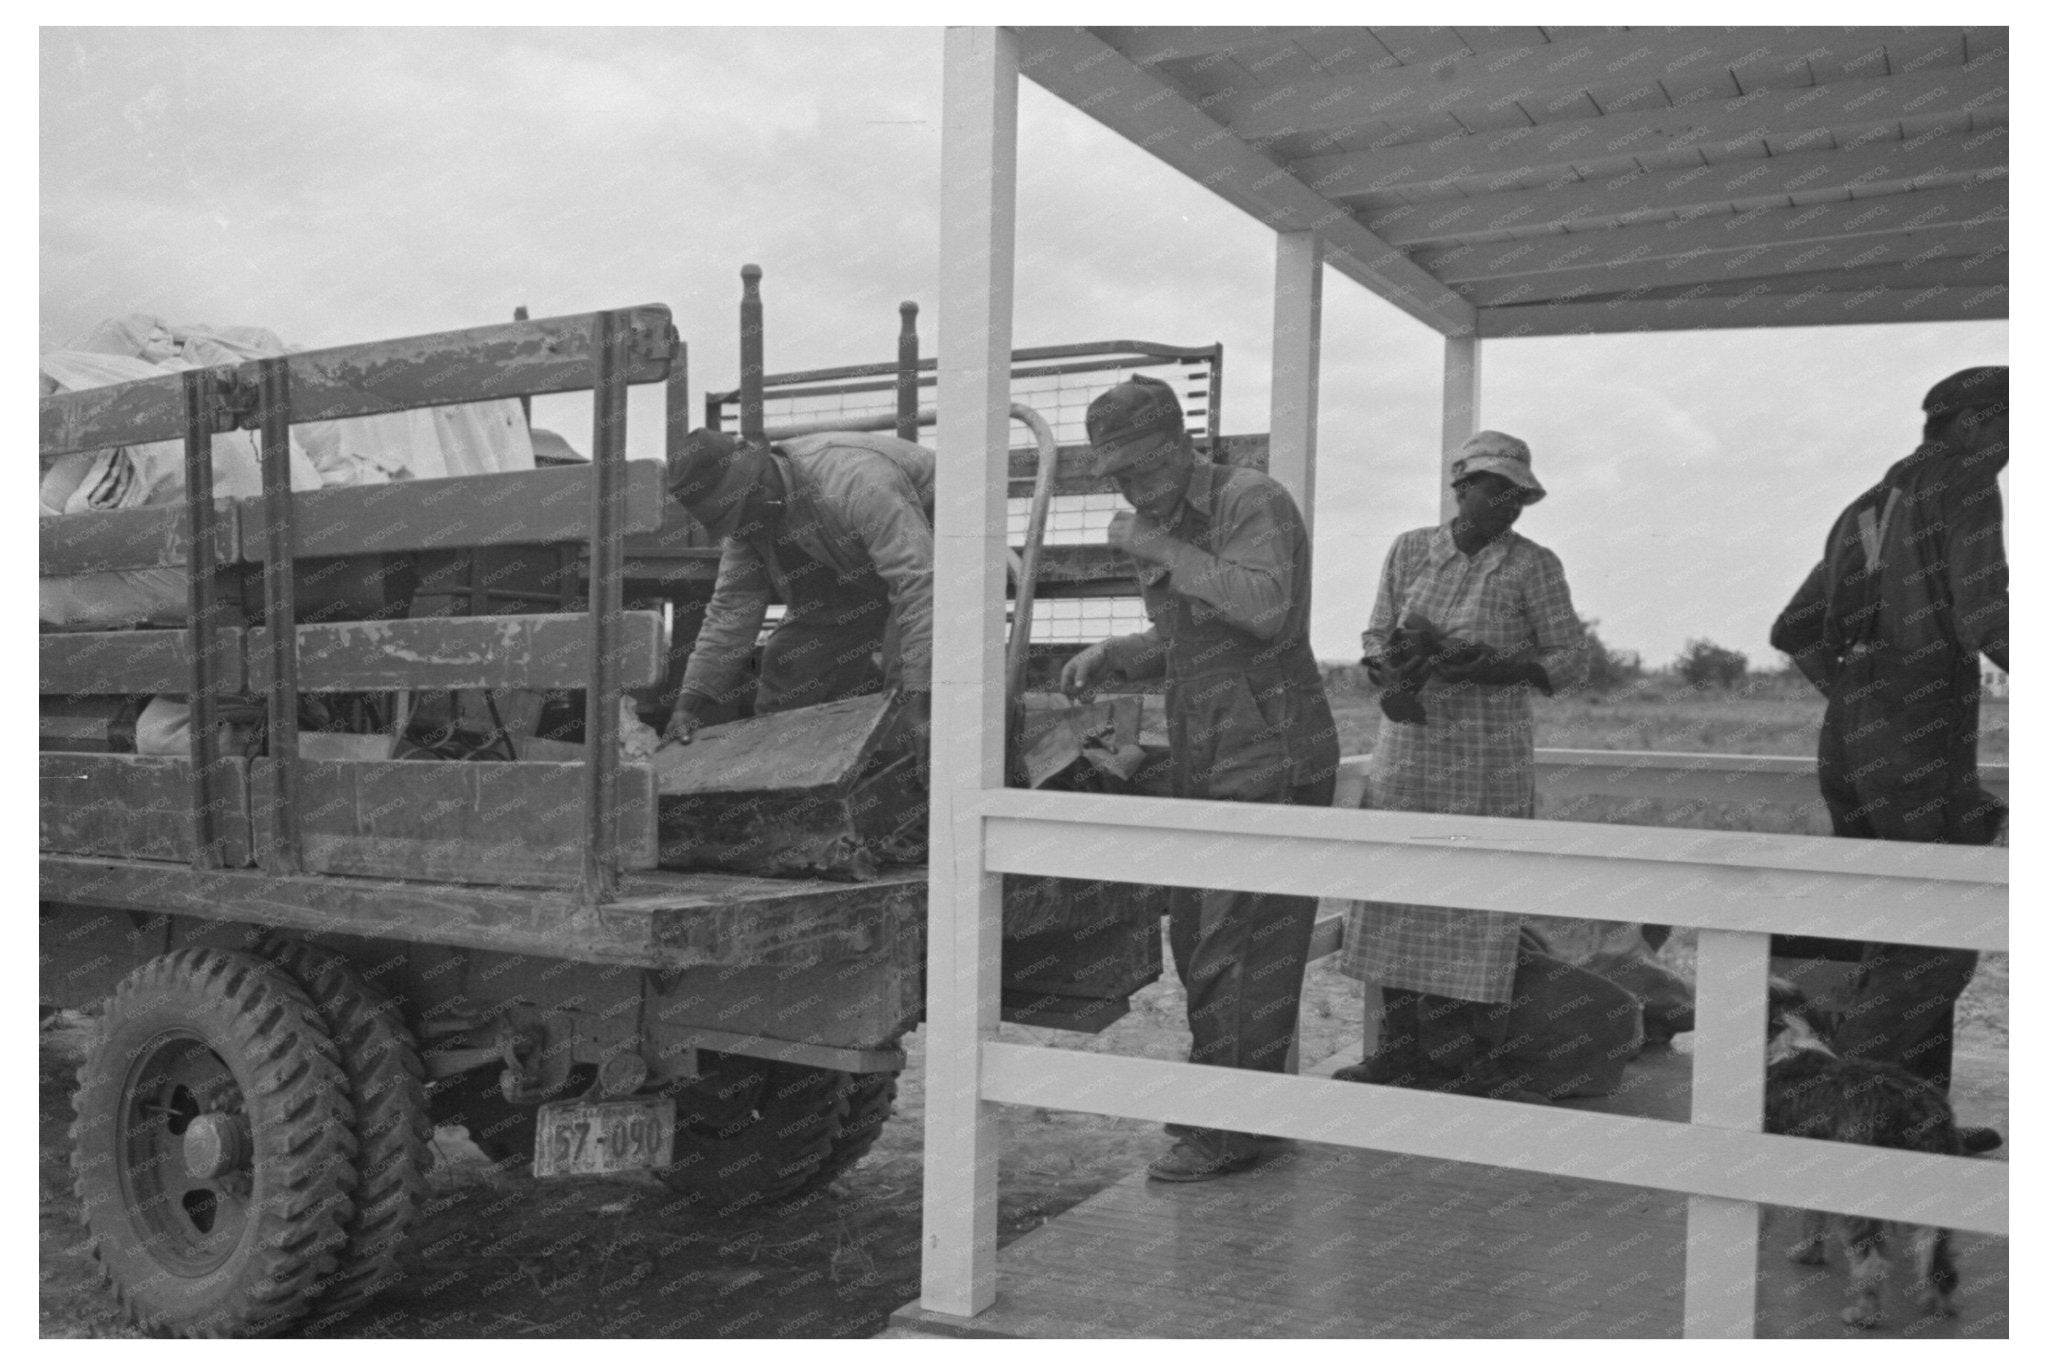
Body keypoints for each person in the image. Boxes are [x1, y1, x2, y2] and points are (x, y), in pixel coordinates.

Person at [1059, 376, 1339, 1182]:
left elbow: (1265, 609)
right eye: (1116, 476)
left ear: (1182, 446)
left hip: (1270, 748)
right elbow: (1188, 637)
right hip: (1206, 746)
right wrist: (1120, 655)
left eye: (1141, 469)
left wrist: (1161, 550)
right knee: (1206, 934)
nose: (1130, 489)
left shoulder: (1253, 500)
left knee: (1239, 938)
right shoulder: (1166, 520)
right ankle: (1247, 1114)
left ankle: (1226, 1129)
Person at [1338, 431, 1643, 1102]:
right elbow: (1375, 631)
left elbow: (1570, 658)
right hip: (1411, 756)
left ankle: (1463, 1059)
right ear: (1461, 485)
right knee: (1400, 897)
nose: (1506, 504)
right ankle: (1398, 1051)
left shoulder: (1533, 565)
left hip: (1488, 760)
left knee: (1475, 905)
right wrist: (1388, 664)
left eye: (1517, 495)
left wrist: (1501, 665)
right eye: (1493, 488)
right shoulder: (1412, 548)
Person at [1770, 366, 2007, 1155]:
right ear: (1971, 423)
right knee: (1931, 937)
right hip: (1922, 726)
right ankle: (1880, 1119)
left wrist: (1857, 694)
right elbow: (1986, 613)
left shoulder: (1863, 508)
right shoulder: (1966, 482)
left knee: (1888, 926)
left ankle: (1903, 1117)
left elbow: (1794, 627)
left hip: (1853, 733)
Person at [662, 427, 935, 743]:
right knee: (788, 664)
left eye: (737, 519)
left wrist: (918, 694)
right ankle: (793, 780)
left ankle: (914, 776)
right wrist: (688, 706)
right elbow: (731, 612)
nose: (738, 532)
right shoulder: (750, 524)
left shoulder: (856, 481)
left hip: (941, 560)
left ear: (759, 488)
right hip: (865, 571)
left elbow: (919, 584)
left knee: (904, 687)